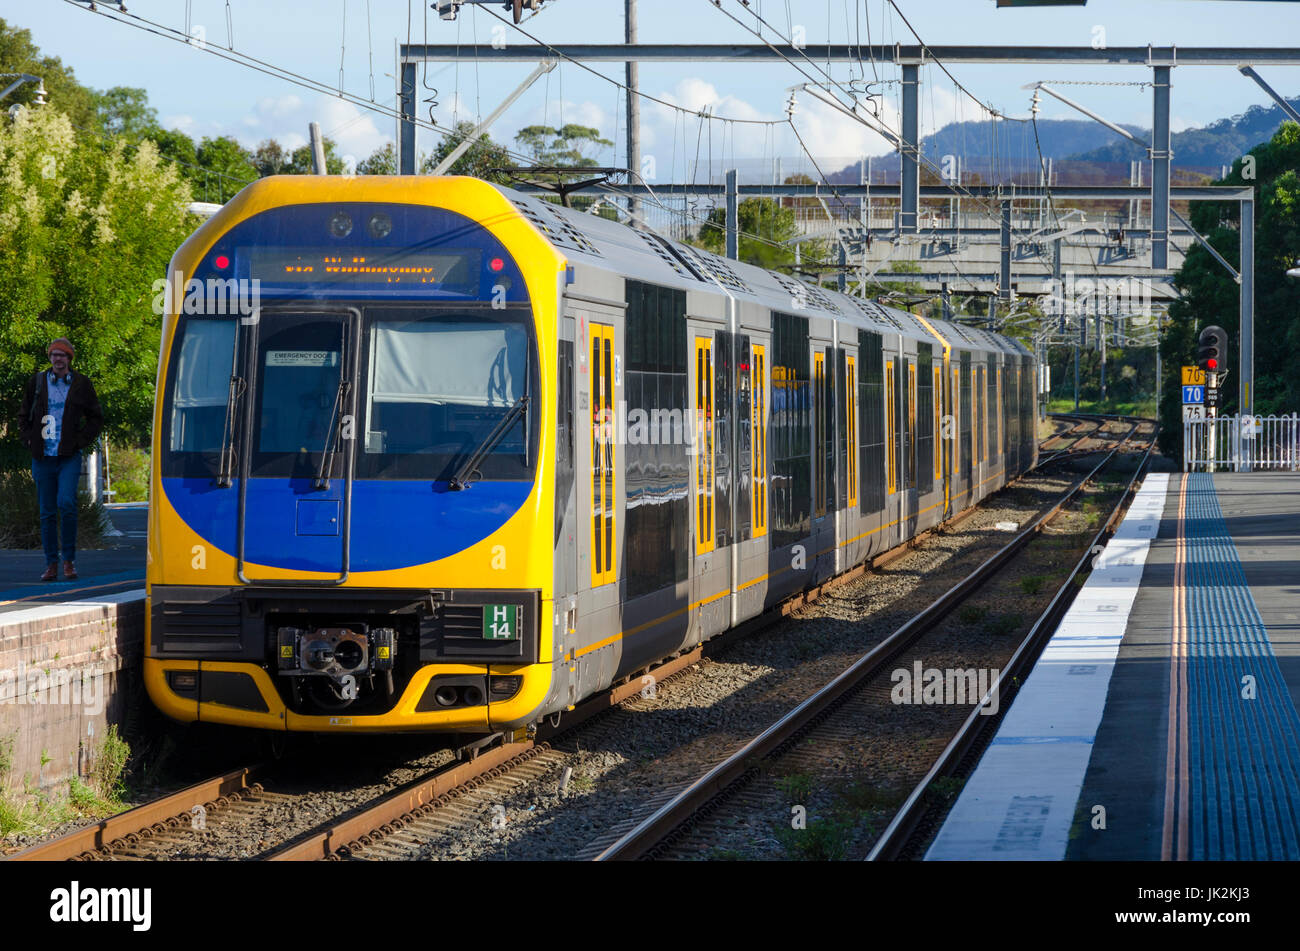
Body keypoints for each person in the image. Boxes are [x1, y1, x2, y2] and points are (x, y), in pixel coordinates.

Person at [17, 338, 104, 581]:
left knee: (66, 503)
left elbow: (96, 417)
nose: (57, 359)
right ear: (49, 358)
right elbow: (23, 415)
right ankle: (51, 564)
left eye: (62, 355)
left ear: (69, 359)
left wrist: (80, 441)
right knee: (46, 512)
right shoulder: (36, 382)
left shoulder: (81, 384)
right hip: (43, 456)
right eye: (54, 355)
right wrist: (29, 440)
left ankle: (69, 560)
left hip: (68, 455)